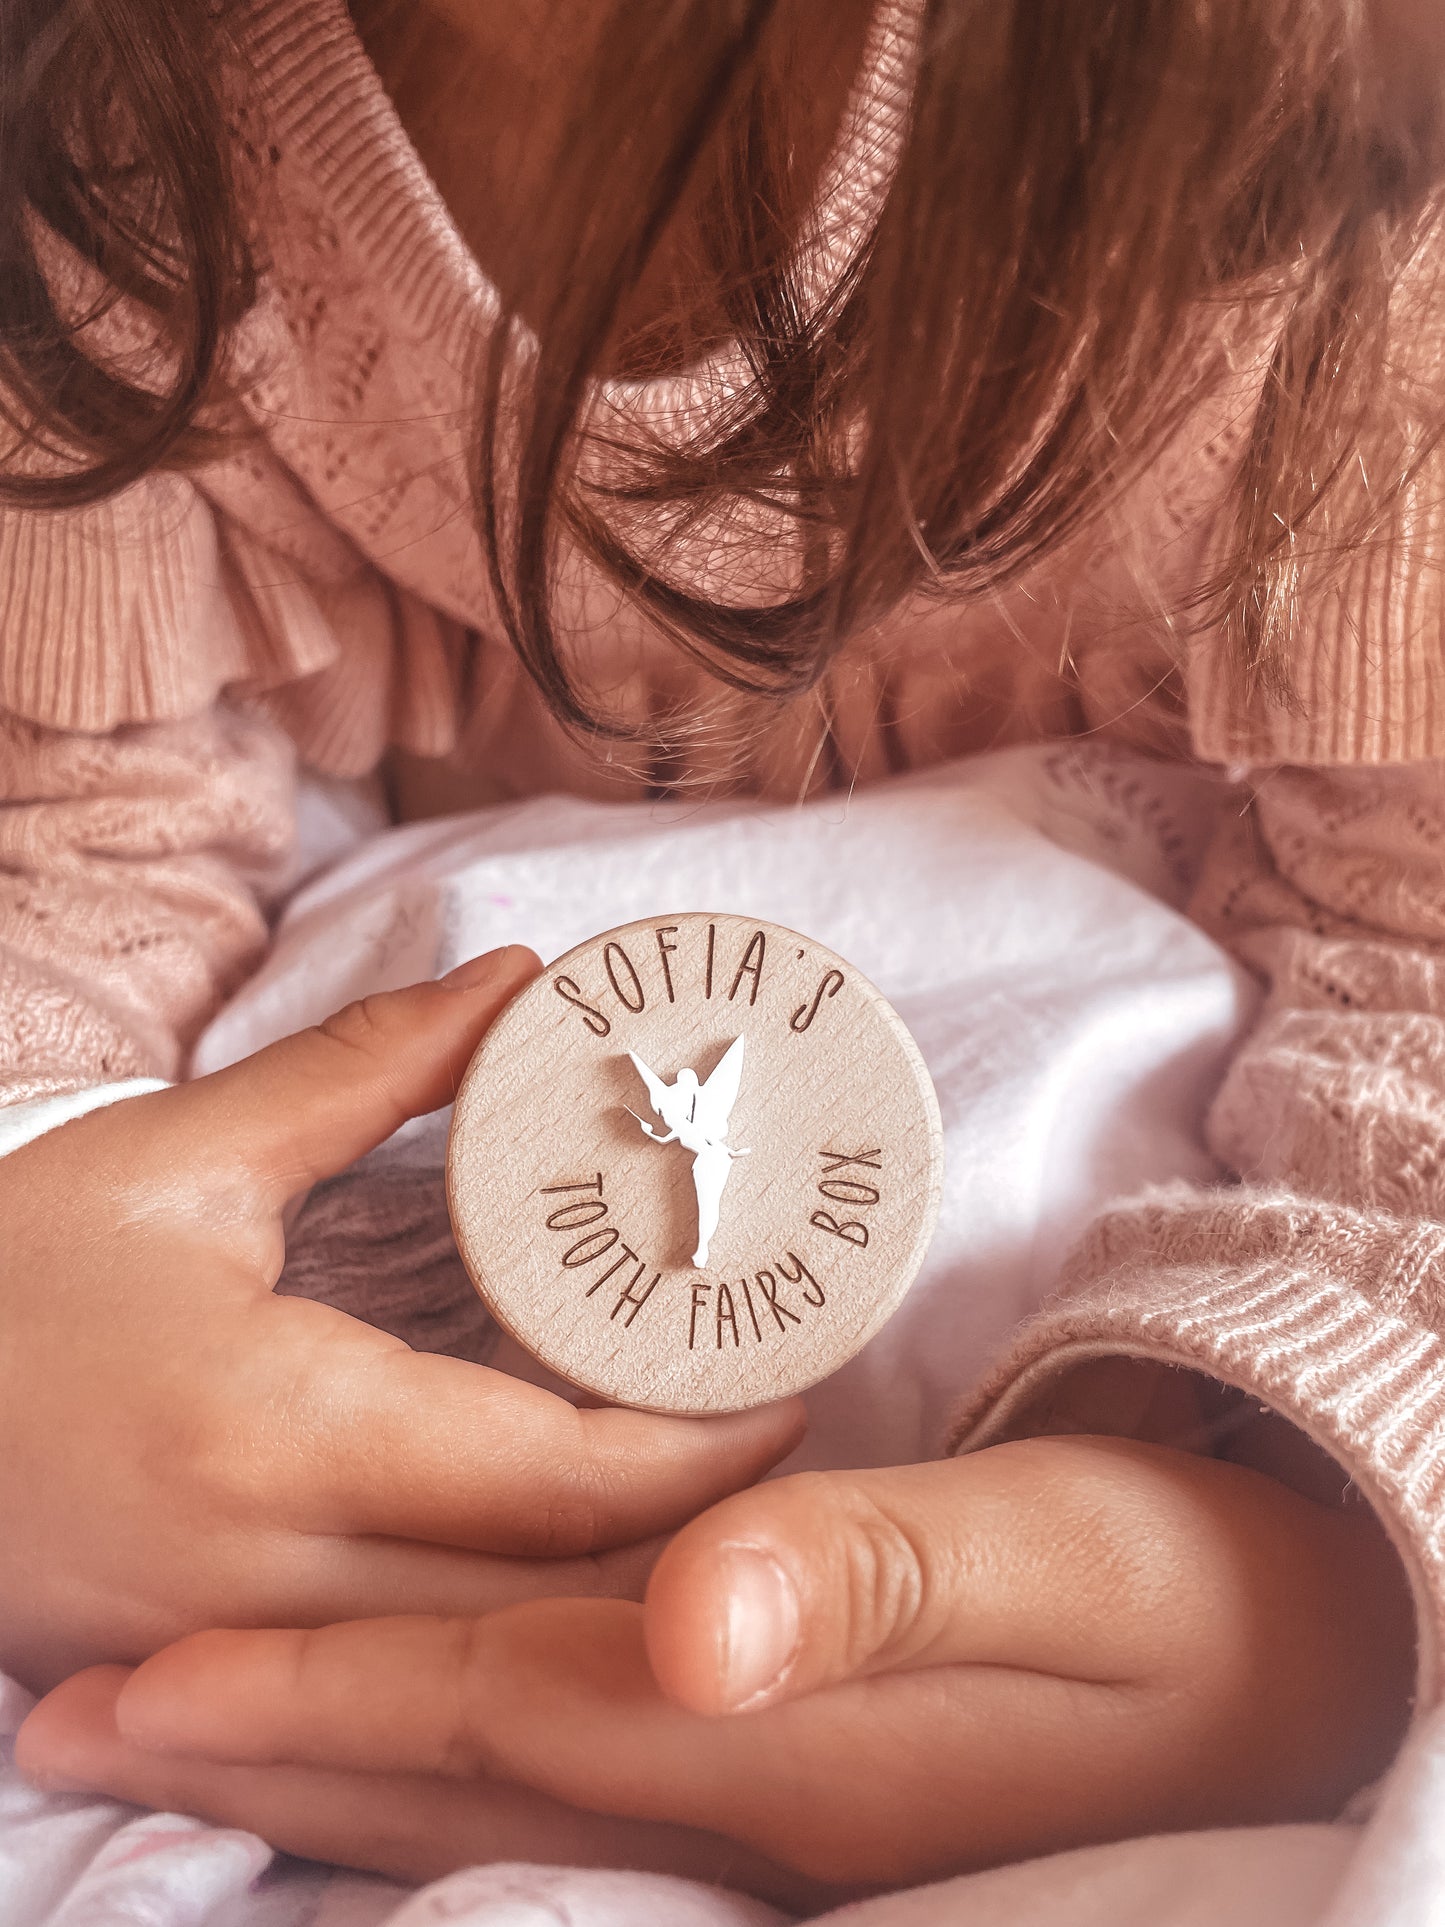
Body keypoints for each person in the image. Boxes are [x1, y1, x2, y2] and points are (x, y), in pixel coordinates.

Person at [1, 0, 1443, 1902]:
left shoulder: (1344, 142)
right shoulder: (102, 117)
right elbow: (79, 807)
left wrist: (1315, 1554)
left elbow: (1409, 933)